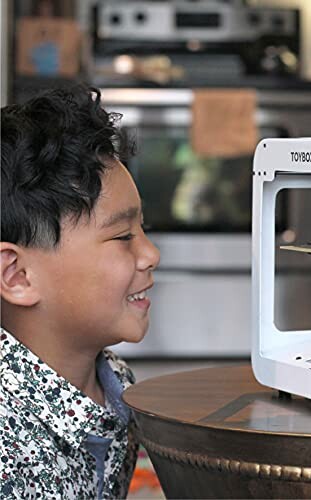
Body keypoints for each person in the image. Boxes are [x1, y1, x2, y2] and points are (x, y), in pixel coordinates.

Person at [0, 86, 160, 499]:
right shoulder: (9, 456)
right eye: (123, 235)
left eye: (142, 229)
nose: (150, 254)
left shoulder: (117, 385)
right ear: (17, 276)